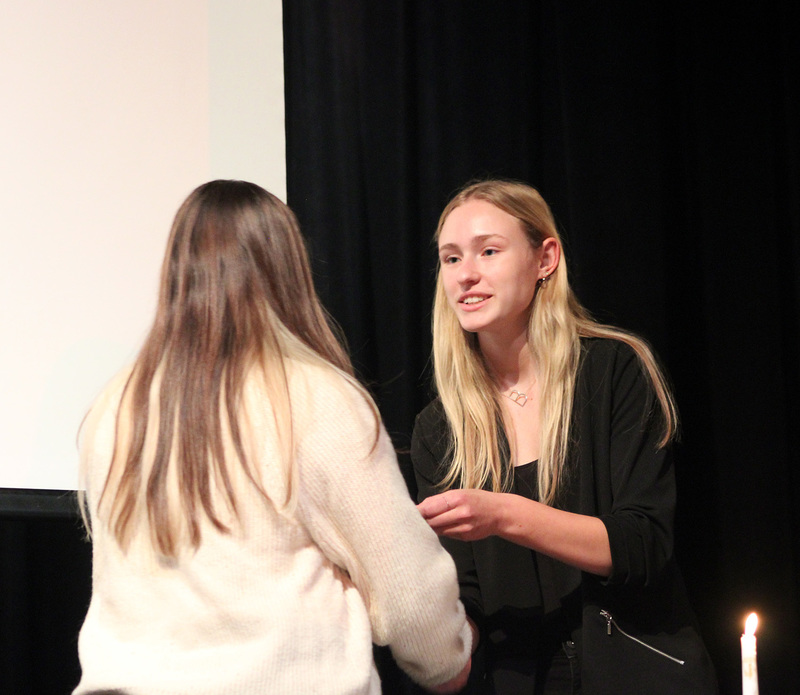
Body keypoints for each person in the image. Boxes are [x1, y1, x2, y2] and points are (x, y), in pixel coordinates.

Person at [74, 180, 471, 695]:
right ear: (287, 268)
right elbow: (406, 589)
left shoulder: (116, 407)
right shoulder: (315, 400)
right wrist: (447, 660)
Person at [411, 180, 718, 694]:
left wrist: (504, 514)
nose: (466, 274)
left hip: (639, 675)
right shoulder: (439, 429)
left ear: (545, 258)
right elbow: (463, 601)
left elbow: (642, 545)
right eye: (450, 258)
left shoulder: (613, 371)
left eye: (488, 251)